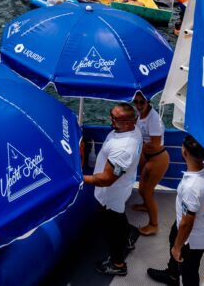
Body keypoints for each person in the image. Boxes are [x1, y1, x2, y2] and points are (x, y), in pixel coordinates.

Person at [147, 135, 204, 286]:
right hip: (200, 227)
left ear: (184, 152)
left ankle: (177, 274)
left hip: (192, 239)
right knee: (174, 236)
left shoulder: (190, 187)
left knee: (189, 271)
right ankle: (172, 275)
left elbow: (187, 222)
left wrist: (178, 247)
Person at [83, 103, 142, 276]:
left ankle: (117, 264)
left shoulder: (123, 149)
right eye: (111, 115)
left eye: (114, 118)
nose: (110, 119)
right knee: (118, 216)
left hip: (111, 194)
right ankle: (128, 239)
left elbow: (107, 179)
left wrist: (79, 179)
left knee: (111, 230)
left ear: (128, 122)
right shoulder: (132, 130)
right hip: (121, 191)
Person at [131, 92, 169, 236]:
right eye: (136, 102)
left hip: (157, 158)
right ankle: (146, 206)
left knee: (147, 192)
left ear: (148, 102)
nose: (139, 105)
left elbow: (154, 144)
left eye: (142, 102)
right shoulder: (140, 115)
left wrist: (136, 146)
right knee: (142, 190)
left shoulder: (154, 119)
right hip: (146, 157)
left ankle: (154, 225)